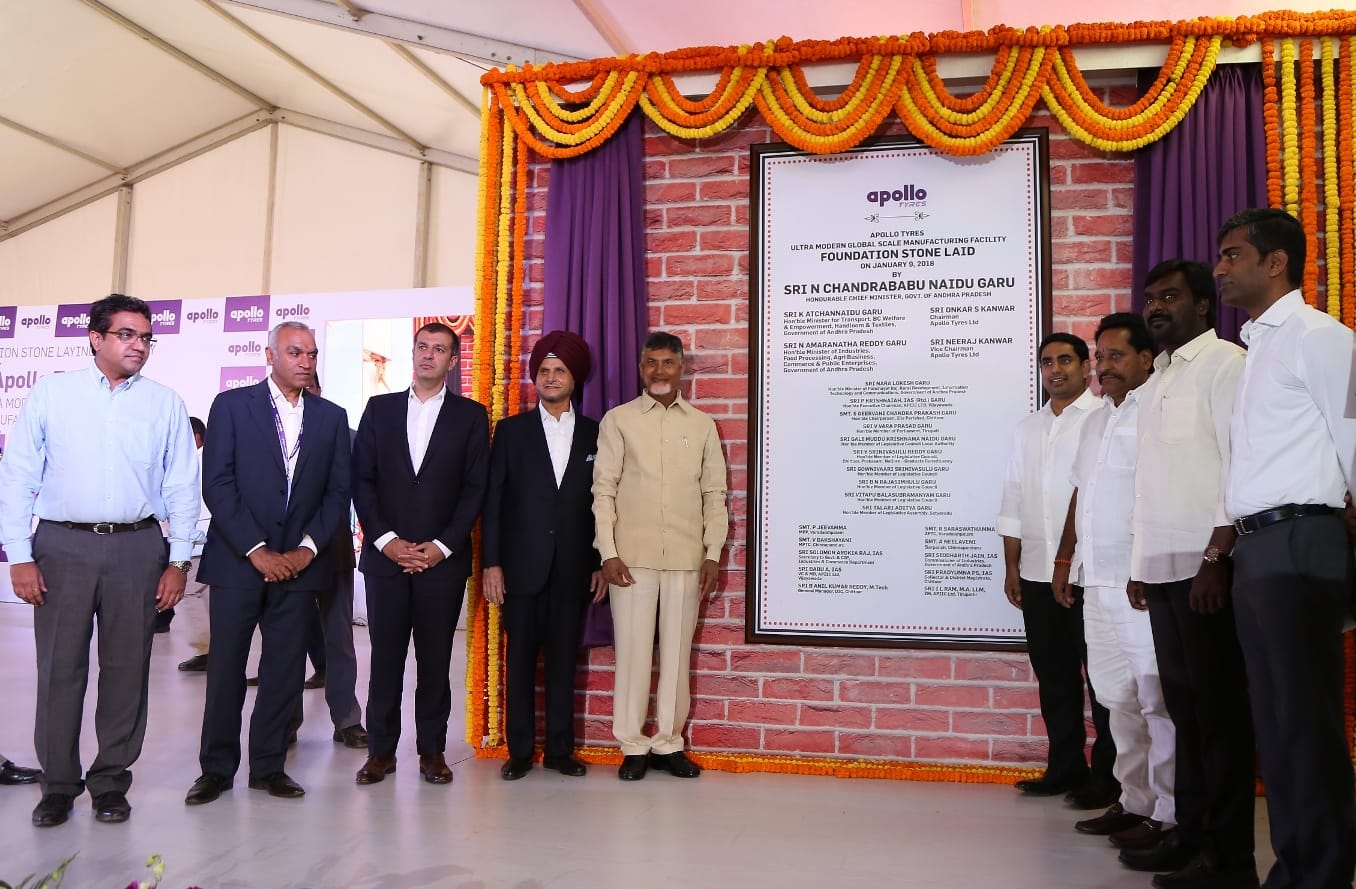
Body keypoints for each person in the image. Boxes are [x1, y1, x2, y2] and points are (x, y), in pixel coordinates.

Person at [0, 294, 199, 827]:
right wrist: (19, 555)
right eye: (127, 335)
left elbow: (182, 486)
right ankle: (58, 786)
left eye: (146, 337)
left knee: (127, 670)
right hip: (62, 546)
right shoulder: (53, 393)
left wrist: (179, 561)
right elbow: (17, 476)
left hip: (138, 548)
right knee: (59, 669)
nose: (139, 346)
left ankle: (110, 782)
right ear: (96, 338)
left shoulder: (164, 403)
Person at [1218, 208, 1356, 889]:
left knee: (1306, 721)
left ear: (1276, 263)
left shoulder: (1321, 337)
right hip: (1259, 547)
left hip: (1302, 539)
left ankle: (1323, 875)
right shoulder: (1257, 348)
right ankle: (1296, 869)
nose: (1219, 268)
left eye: (1232, 254)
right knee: (1276, 723)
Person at [1120, 260, 1253, 884]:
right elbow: (1150, 483)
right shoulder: (1159, 378)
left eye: (1169, 296)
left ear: (1203, 304)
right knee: (1185, 709)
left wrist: (1216, 557)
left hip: (1206, 568)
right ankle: (1192, 835)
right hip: (1163, 569)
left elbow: (1238, 465)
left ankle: (1229, 860)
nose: (1155, 308)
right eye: (1150, 298)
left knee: (1219, 714)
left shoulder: (1227, 365)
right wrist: (1141, 564)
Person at [185, 321, 352, 805]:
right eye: (295, 352)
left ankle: (269, 766)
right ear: (270, 355)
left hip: (300, 567)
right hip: (239, 563)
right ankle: (216, 771)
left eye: (312, 354)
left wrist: (306, 549)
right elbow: (217, 484)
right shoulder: (232, 406)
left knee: (284, 671)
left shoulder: (331, 417)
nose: (305, 361)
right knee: (226, 670)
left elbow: (338, 491)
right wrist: (257, 550)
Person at [1051, 314, 1175, 852]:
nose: (1103, 366)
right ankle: (1135, 800)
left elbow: (1166, 494)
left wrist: (1145, 565)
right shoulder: (1096, 419)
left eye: (1115, 355)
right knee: (1115, 697)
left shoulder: (1159, 411)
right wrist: (1065, 559)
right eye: (1100, 357)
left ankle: (1170, 812)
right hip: (1096, 581)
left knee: (1155, 698)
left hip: (1139, 583)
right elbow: (1081, 494)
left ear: (1147, 358)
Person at [351, 322, 488, 786]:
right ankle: (380, 753)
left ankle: (432, 751)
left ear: (453, 361)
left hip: (440, 562)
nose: (429, 355)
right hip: (385, 561)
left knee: (434, 662)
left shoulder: (470, 416)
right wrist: (386, 540)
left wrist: (443, 546)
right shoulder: (380, 409)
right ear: (413, 353)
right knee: (385, 661)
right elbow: (362, 480)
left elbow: (474, 488)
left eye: (440, 349)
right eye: (422, 347)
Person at [593, 331, 728, 781]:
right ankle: (633, 746)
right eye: (651, 362)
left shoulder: (702, 425)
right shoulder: (618, 421)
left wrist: (713, 553)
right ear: (641, 367)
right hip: (630, 560)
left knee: (676, 656)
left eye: (668, 362)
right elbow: (603, 491)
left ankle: (669, 743)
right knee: (633, 655)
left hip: (687, 558)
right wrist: (608, 552)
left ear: (682, 368)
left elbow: (714, 494)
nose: (659, 371)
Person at [997, 332, 1117, 807]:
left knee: (1103, 678)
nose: (1055, 370)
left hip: (1087, 574)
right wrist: (1011, 565)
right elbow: (1013, 497)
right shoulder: (1027, 428)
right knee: (1054, 676)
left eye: (1065, 360)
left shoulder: (1104, 418)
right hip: (1034, 572)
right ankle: (1065, 767)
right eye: (1047, 362)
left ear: (1086, 366)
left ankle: (1108, 777)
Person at [483, 331, 606, 781]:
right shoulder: (511, 432)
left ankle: (559, 750)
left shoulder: (596, 432)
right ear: (535, 377)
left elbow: (604, 503)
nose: (551, 378)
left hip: (573, 568)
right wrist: (492, 563)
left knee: (563, 663)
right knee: (519, 663)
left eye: (560, 371)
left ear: (575, 379)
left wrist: (600, 562)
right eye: (544, 371)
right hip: (521, 569)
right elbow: (494, 502)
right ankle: (519, 751)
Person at [178, 416, 212, 673]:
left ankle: (206, 649)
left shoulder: (196, 464)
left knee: (186, 591)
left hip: (198, 541)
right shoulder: (209, 460)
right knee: (207, 593)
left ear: (197, 437)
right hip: (209, 540)